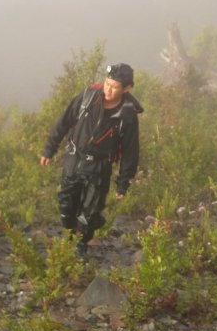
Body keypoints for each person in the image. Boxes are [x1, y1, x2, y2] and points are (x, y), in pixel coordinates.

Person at [39, 63, 142, 258]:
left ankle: (81, 243)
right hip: (74, 158)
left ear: (127, 88)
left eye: (114, 87)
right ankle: (71, 232)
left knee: (90, 210)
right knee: (66, 206)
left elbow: (131, 150)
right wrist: (49, 149)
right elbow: (64, 122)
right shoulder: (88, 97)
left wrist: (124, 182)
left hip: (100, 166)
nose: (108, 89)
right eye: (107, 84)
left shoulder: (127, 115)